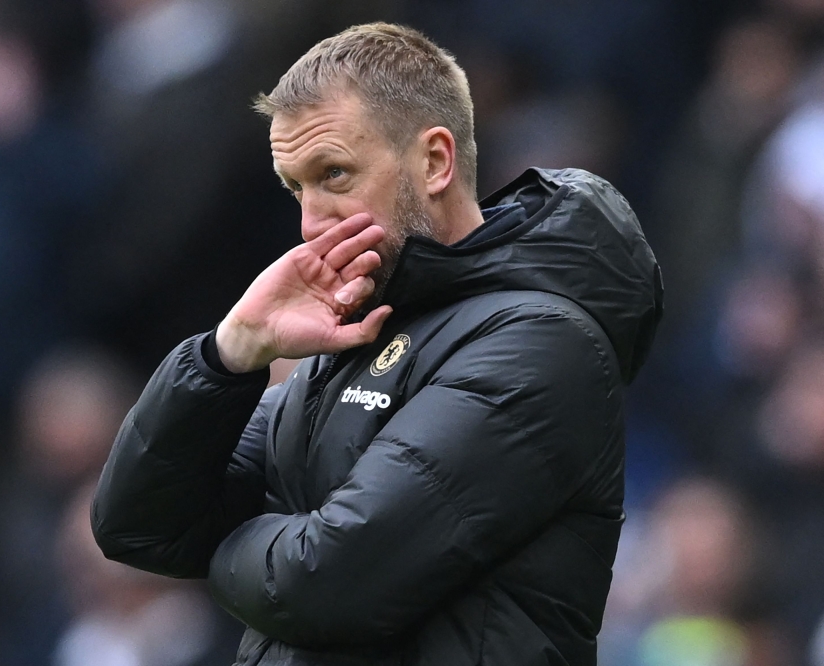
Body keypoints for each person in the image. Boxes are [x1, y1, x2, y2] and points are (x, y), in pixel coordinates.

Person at [91, 22, 663, 665]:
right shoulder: (353, 335)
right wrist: (228, 354)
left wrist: (219, 554)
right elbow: (136, 528)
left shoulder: (542, 341)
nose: (310, 222)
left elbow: (321, 583)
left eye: (334, 173)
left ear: (436, 161)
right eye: (295, 187)